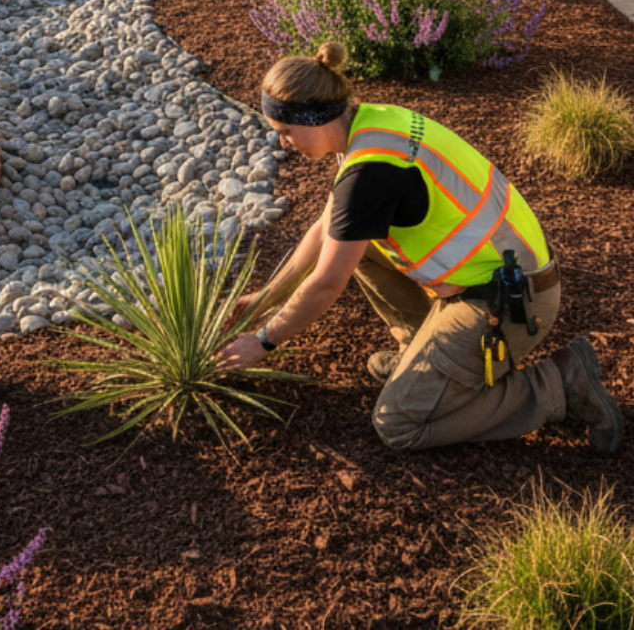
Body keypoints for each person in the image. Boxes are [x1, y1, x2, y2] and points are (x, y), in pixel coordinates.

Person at [218, 42, 623, 455]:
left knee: (398, 424)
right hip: (500, 271)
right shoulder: (369, 124)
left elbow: (326, 283)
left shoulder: (369, 174)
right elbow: (326, 230)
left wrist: (265, 340)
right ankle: (419, 353)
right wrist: (266, 297)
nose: (283, 143)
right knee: (356, 244)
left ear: (316, 118)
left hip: (510, 302)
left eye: (286, 131)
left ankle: (558, 384)